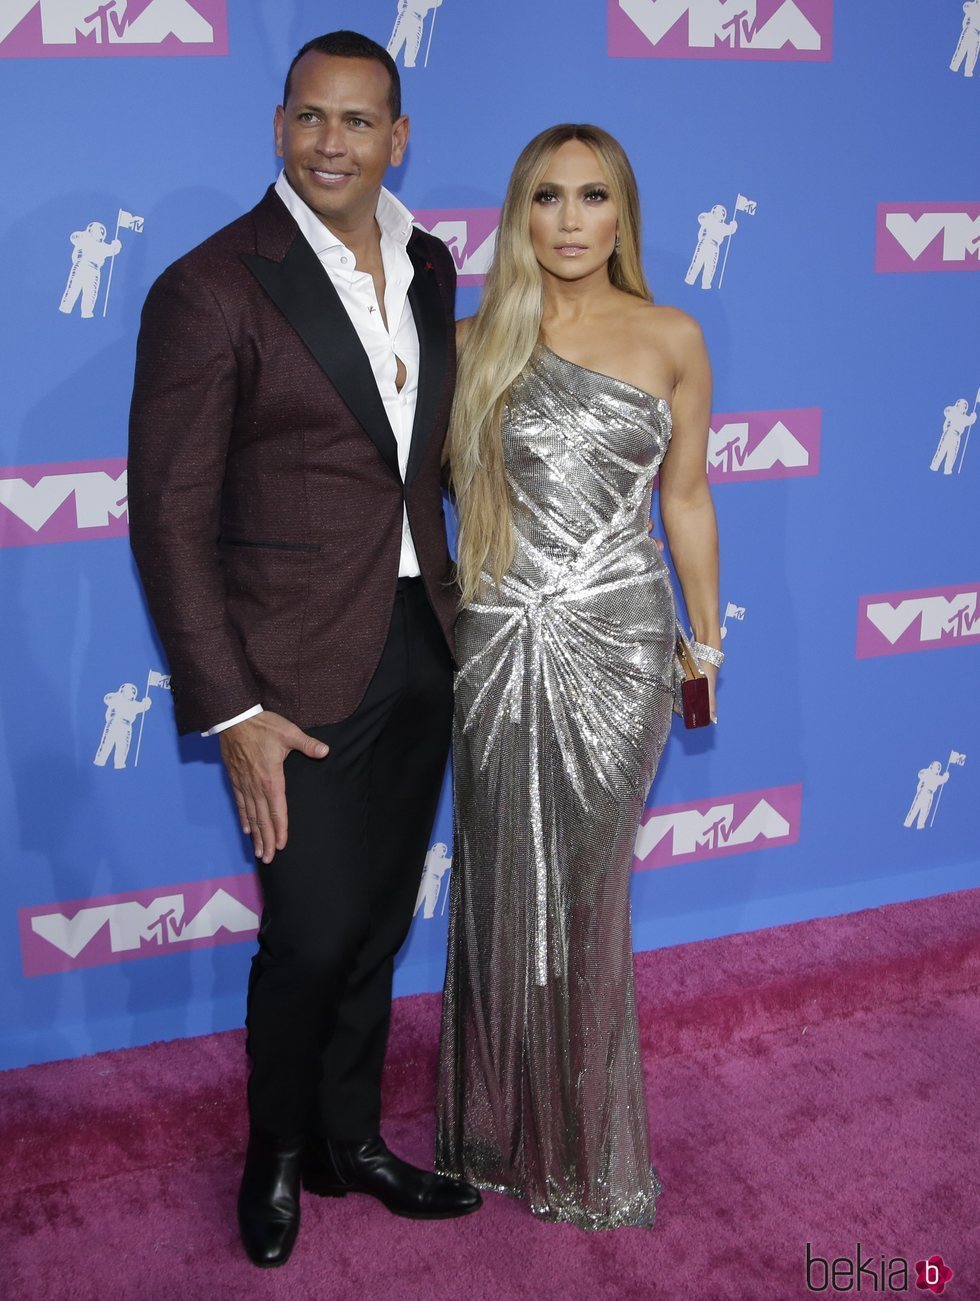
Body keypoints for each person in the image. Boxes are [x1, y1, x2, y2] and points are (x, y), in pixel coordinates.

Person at [127, 30, 479, 1270]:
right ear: (279, 127)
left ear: (396, 137)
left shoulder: (433, 264)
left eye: (357, 121)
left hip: (417, 644)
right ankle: (274, 1150)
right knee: (312, 930)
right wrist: (230, 709)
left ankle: (350, 1142)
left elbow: (425, 460)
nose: (332, 143)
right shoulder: (211, 285)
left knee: (377, 923)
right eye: (309, 118)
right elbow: (168, 516)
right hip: (287, 673)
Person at [436, 124, 722, 1229]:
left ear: (621, 215)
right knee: (501, 891)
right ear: (519, 214)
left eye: (590, 196)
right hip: (499, 647)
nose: (567, 220)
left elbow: (685, 496)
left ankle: (590, 1148)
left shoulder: (670, 336)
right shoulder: (469, 344)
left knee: (589, 900)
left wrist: (705, 641)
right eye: (546, 197)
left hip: (623, 647)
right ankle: (496, 1133)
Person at [684, 204, 737, 289]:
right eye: (718, 211)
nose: (719, 214)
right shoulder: (708, 219)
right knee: (697, 262)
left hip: (714, 246)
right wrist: (710, 216)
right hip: (704, 242)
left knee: (710, 267)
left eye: (722, 213)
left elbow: (730, 230)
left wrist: (733, 225)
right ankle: (689, 280)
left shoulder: (722, 226)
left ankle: (706, 285)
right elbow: (701, 217)